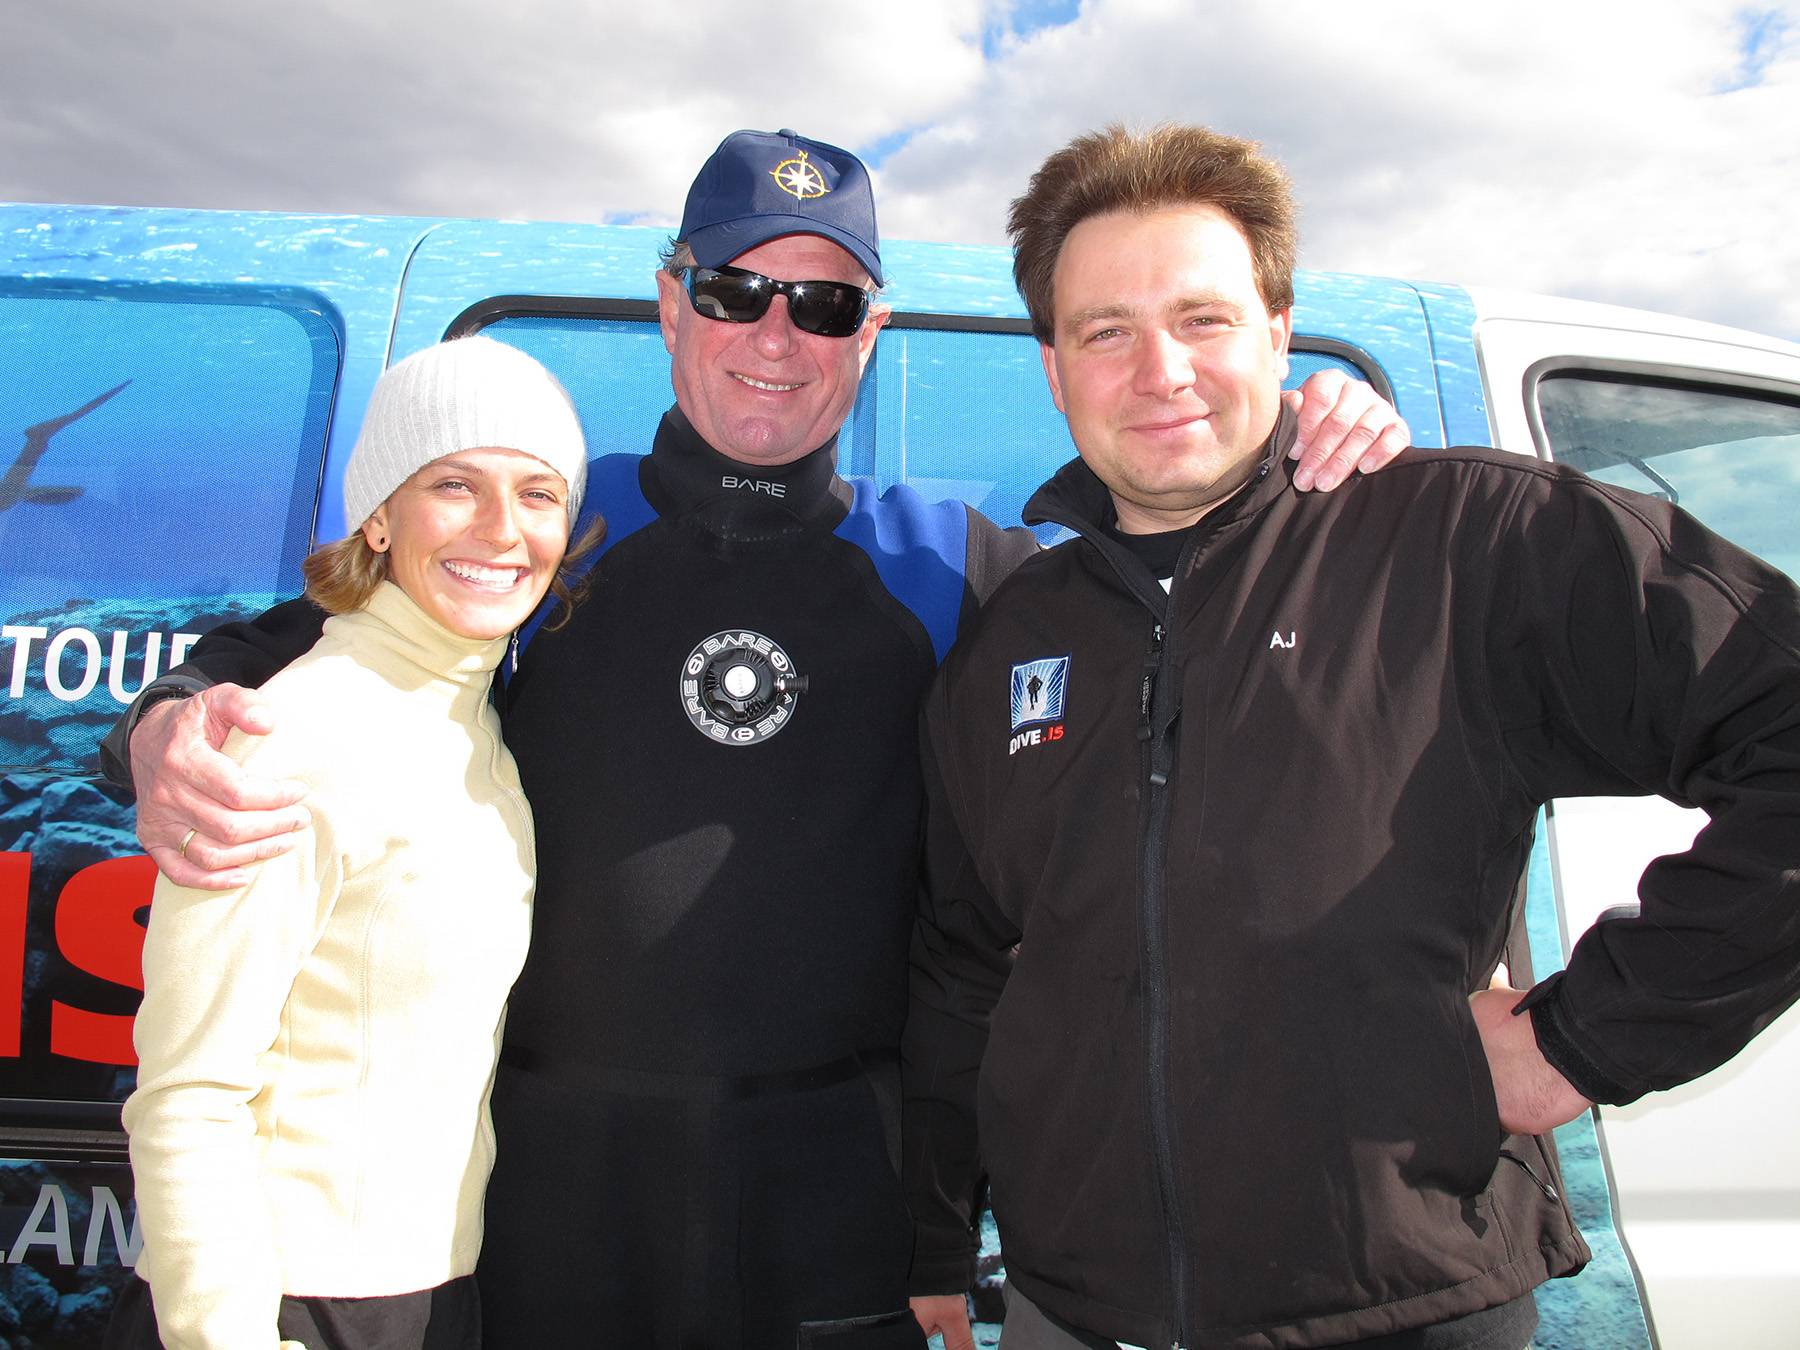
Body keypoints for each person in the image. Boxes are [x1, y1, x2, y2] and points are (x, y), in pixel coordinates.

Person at [102, 130, 1411, 1348]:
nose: (777, 334)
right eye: (737, 291)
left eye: (827, 303)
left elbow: (1178, 604)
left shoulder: (948, 563)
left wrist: (1305, 457)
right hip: (555, 1205)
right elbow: (308, 636)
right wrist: (164, 725)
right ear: (673, 303)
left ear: (870, 334)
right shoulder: (552, 527)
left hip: (841, 1212)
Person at [902, 123, 1800, 1350]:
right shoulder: (1012, 639)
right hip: (1078, 1315)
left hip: (1402, 1309)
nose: (1160, 368)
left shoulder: (1467, 544)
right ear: (1054, 369)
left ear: (1280, 332)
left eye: (1204, 318)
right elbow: (966, 967)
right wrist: (938, 1232)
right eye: (1106, 330)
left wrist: (1583, 1038)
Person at [104, 336, 593, 1350]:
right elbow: (190, 1093)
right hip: (285, 1300)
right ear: (379, 513)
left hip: (430, 1293)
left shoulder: (478, 726)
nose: (503, 531)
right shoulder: (290, 739)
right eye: (456, 484)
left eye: (539, 494)